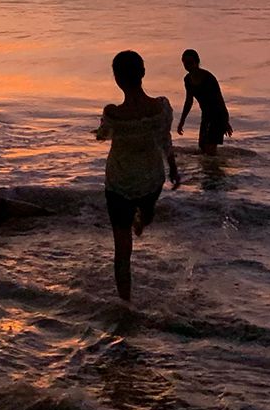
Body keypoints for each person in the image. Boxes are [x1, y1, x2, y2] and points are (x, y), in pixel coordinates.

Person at [95, 49, 179, 301]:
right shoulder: (161, 107)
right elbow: (165, 138)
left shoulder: (113, 113)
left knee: (122, 252)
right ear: (143, 73)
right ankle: (142, 218)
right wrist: (173, 166)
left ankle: (125, 304)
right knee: (147, 213)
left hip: (118, 183)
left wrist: (99, 132)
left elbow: (103, 135)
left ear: (117, 79)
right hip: (152, 178)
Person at [177, 47, 232, 156]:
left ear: (196, 62)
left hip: (217, 115)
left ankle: (215, 171)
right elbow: (189, 101)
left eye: (190, 63)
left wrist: (225, 121)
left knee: (210, 149)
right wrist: (182, 121)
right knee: (202, 147)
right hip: (206, 115)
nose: (188, 66)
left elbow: (219, 100)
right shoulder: (187, 80)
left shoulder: (208, 78)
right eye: (185, 63)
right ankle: (209, 171)